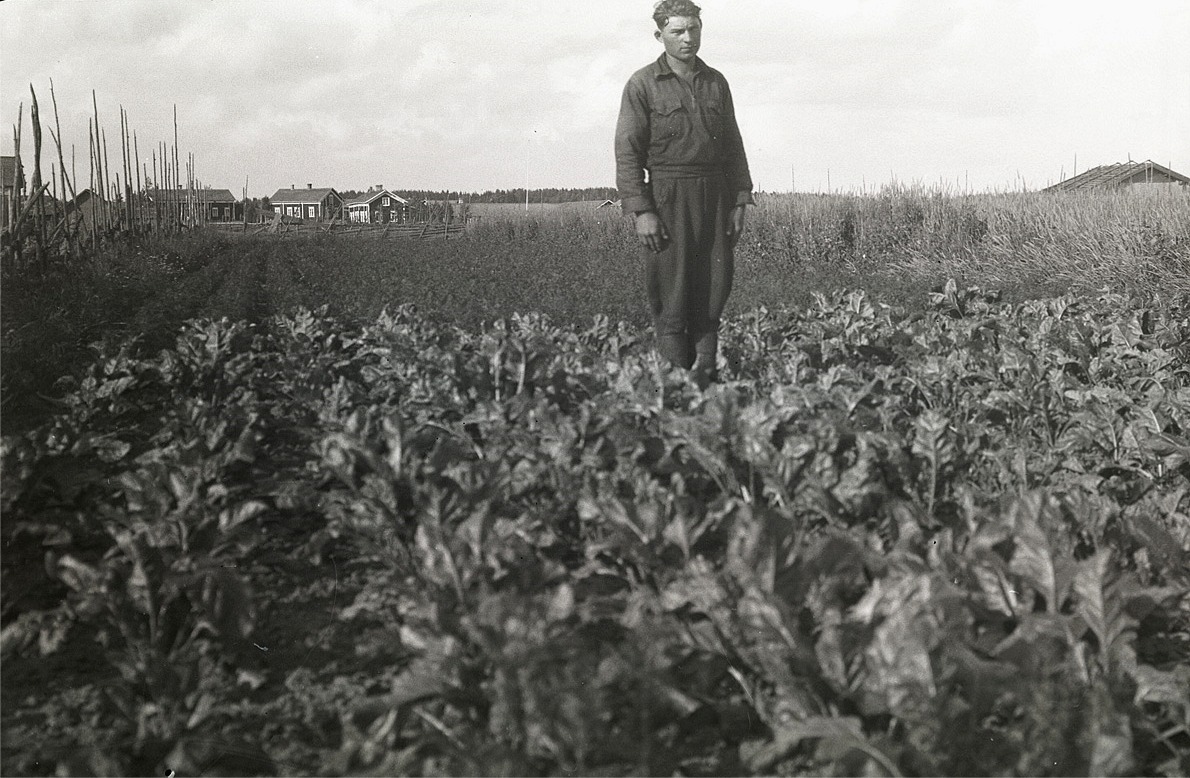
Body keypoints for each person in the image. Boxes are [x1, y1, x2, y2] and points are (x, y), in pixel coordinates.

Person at [615, 0, 753, 385]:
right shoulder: (642, 84)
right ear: (660, 35)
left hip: (716, 194)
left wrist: (740, 199)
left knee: (714, 287)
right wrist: (642, 210)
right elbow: (627, 150)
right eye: (677, 31)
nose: (688, 38)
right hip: (667, 197)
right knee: (672, 290)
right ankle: (675, 382)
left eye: (694, 29)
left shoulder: (716, 82)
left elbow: (733, 145)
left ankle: (705, 378)